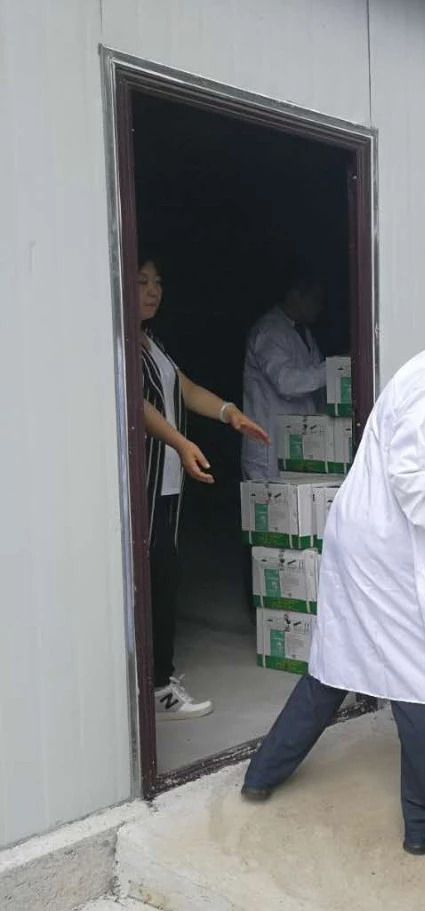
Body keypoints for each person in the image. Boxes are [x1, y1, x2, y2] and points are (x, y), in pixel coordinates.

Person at [240, 282, 425, 855]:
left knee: (335, 662)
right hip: (387, 554)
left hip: (375, 546)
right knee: (421, 678)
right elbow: (413, 475)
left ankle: (263, 772)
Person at [136, 257, 270, 719]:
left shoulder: (151, 342)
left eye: (157, 282)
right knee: (153, 581)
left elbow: (187, 389)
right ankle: (157, 687)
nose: (153, 291)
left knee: (165, 577)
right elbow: (137, 404)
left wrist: (231, 413)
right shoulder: (121, 345)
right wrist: (179, 442)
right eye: (141, 282)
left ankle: (158, 680)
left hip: (166, 485)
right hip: (145, 483)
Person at [241, 277, 327, 480]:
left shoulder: (303, 332)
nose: (320, 307)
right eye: (315, 299)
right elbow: (287, 383)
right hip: (269, 447)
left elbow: (316, 384)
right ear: (294, 295)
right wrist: (334, 369)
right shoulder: (269, 331)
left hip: (297, 442)